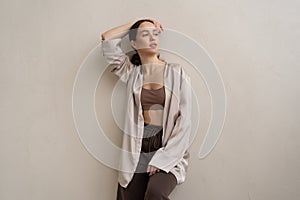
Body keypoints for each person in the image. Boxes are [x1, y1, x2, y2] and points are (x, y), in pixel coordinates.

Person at [101, 18, 192, 200]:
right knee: (127, 195)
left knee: (155, 193)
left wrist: (163, 158)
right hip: (137, 148)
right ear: (133, 43)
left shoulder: (177, 73)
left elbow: (185, 121)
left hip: (167, 146)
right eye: (145, 34)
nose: (153, 38)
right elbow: (107, 40)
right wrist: (135, 24)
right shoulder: (132, 73)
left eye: (155, 33)